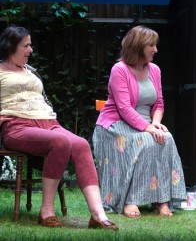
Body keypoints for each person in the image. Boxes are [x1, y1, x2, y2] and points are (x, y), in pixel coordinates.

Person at [0, 26, 118, 230]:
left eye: (31, 45)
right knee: (60, 142)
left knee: (81, 144)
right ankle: (46, 211)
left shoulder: (31, 71)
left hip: (48, 122)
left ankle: (98, 215)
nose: (31, 50)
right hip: (16, 125)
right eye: (26, 46)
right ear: (11, 46)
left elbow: (43, 99)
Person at [92, 25, 186, 218]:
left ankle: (161, 200)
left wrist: (157, 123)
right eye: (151, 45)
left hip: (146, 123)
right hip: (116, 124)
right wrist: (149, 128)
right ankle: (130, 200)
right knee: (143, 141)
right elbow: (124, 108)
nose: (156, 50)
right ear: (138, 46)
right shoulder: (120, 70)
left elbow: (159, 102)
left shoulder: (155, 70)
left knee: (165, 138)